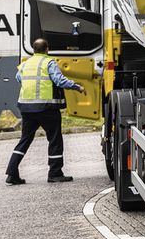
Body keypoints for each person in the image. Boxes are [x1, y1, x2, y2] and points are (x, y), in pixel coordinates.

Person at [5, 38, 85, 185]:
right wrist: (77, 87)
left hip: (26, 108)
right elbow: (59, 81)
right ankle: (55, 173)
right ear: (47, 49)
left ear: (34, 50)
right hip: (46, 108)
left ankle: (12, 173)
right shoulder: (49, 63)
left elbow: (18, 78)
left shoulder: (25, 64)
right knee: (54, 139)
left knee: (25, 140)